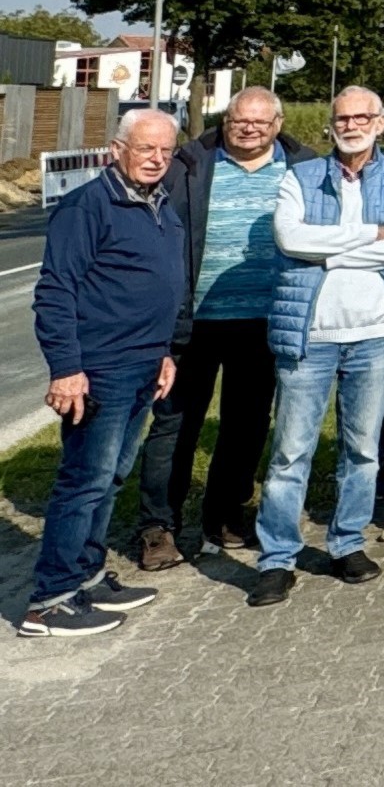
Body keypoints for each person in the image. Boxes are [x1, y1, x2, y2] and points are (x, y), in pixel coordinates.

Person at [250, 88, 384, 608]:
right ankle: (277, 558)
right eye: (341, 118)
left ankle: (346, 543)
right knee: (289, 452)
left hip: (374, 334)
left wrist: (327, 248)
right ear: (330, 125)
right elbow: (289, 239)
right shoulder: (299, 176)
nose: (351, 125)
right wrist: (369, 235)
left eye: (361, 117)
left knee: (363, 449)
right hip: (310, 334)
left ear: (379, 122)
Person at [132, 87, 313, 569]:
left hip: (264, 319)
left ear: (277, 124)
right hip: (192, 321)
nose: (248, 128)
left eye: (259, 121)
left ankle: (225, 514)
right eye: (239, 120)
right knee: (173, 424)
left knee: (247, 424)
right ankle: (158, 526)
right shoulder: (188, 163)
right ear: (224, 120)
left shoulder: (304, 166)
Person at [19, 110, 184, 637]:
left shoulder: (161, 206)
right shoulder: (88, 206)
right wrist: (66, 369)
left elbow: (157, 287)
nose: (157, 159)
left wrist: (163, 352)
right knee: (84, 481)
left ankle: (86, 574)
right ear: (117, 150)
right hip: (101, 369)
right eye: (145, 149)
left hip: (142, 364)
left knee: (110, 478)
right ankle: (51, 601)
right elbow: (55, 290)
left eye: (165, 150)